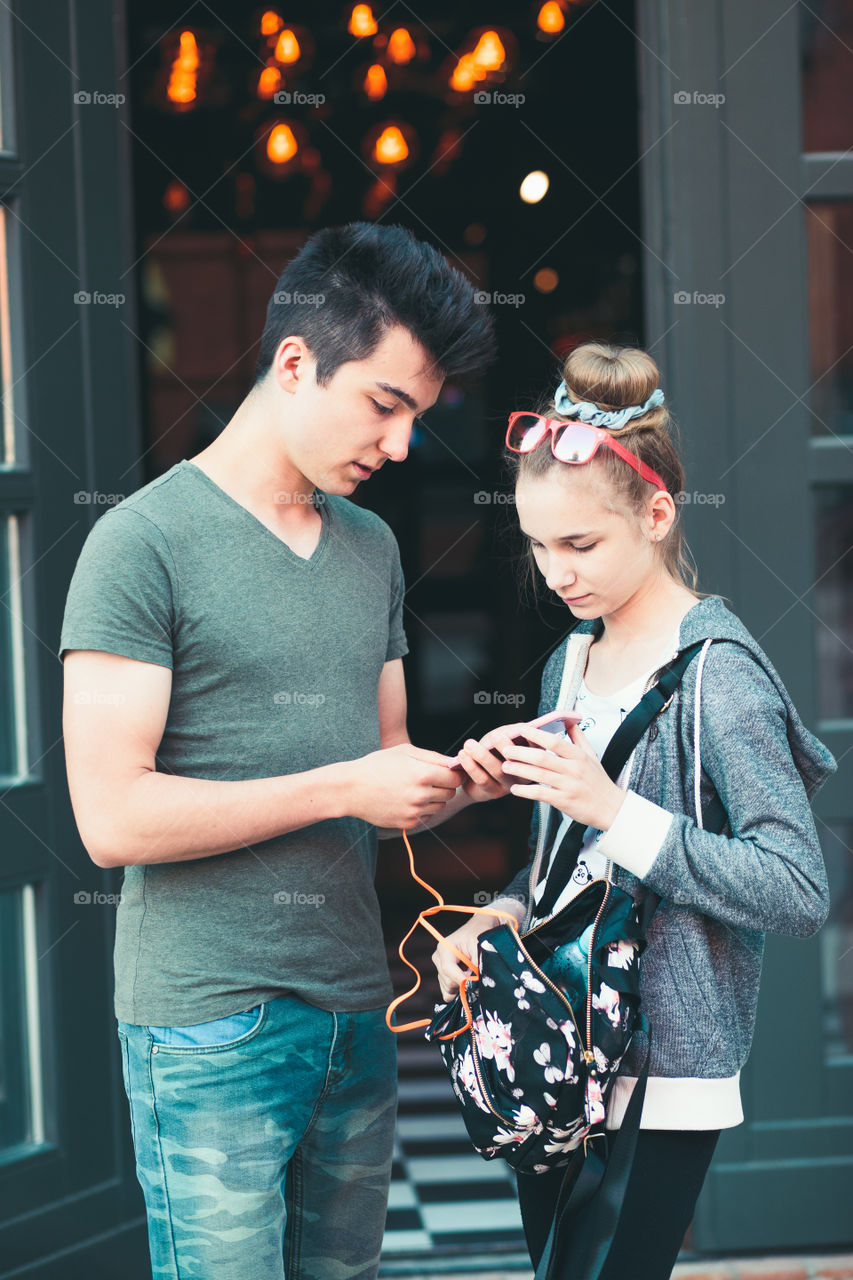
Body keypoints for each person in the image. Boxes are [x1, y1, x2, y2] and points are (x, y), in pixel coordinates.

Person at [59, 222, 498, 1280]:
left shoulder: (371, 545)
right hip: (208, 1026)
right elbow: (111, 819)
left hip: (355, 1004)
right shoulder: (140, 543)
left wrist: (467, 777)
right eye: (385, 405)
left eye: (417, 415)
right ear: (295, 363)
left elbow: (381, 769)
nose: (401, 445)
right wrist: (345, 783)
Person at [432, 341, 834, 1280]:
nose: (555, 572)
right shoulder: (568, 660)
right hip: (554, 1035)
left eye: (579, 545)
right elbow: (566, 865)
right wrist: (498, 916)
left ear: (656, 515)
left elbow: (797, 888)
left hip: (665, 1061)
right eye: (537, 545)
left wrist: (615, 810)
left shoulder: (719, 676)